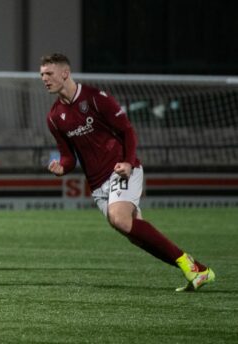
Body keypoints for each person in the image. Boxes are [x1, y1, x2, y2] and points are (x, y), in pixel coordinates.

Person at [40, 53, 215, 292]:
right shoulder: (54, 118)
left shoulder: (95, 98)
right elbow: (69, 157)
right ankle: (199, 270)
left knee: (120, 219)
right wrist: (62, 167)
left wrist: (129, 162)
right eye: (42, 74)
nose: (44, 79)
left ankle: (191, 266)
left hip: (120, 170)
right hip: (97, 185)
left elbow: (128, 131)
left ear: (65, 73)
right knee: (135, 233)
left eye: (48, 73)